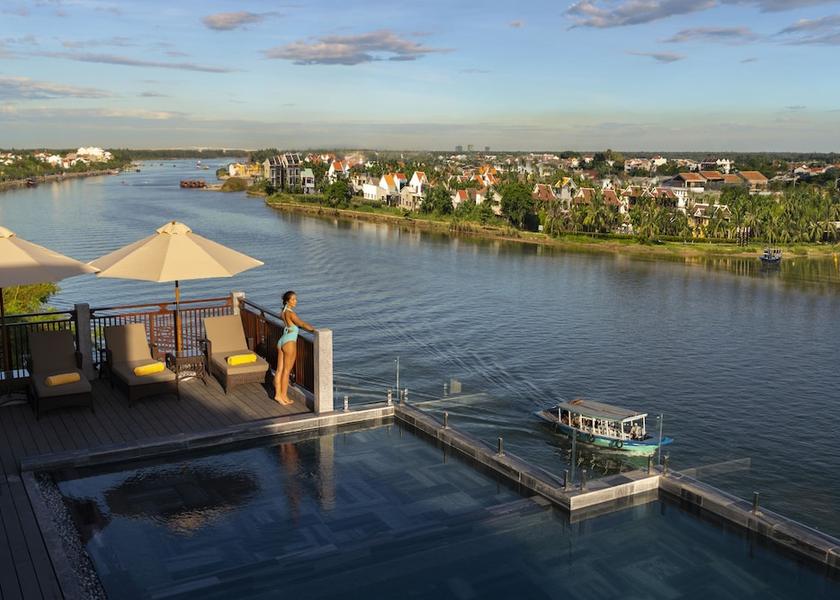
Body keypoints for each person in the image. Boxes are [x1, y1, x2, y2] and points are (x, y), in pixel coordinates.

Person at [274, 290, 316, 405]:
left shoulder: (282, 312)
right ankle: (283, 396)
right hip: (289, 342)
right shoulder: (291, 314)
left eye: (295, 299)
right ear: (288, 301)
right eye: (293, 299)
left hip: (282, 340)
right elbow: (302, 324)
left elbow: (287, 322)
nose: (295, 301)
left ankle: (278, 395)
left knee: (279, 370)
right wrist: (314, 330)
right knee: (286, 371)